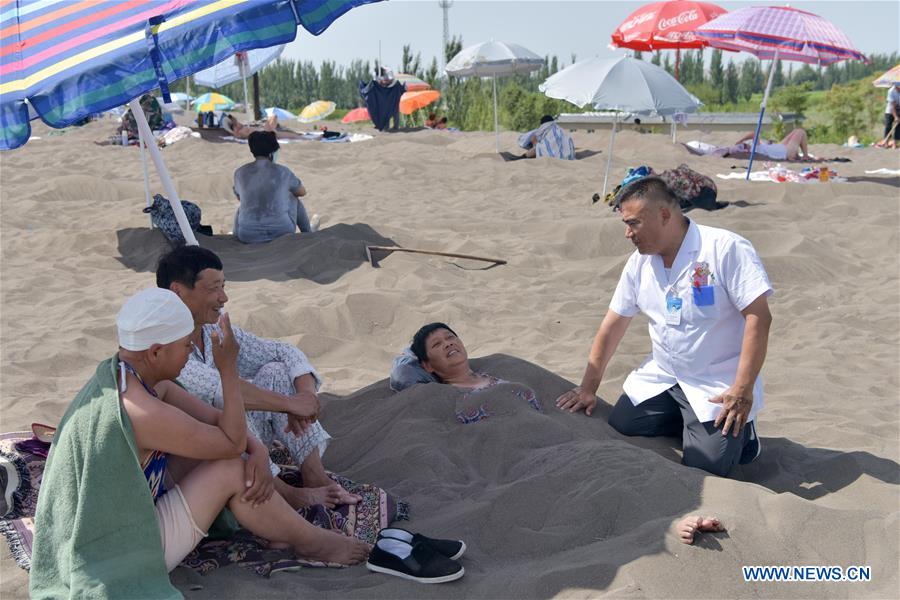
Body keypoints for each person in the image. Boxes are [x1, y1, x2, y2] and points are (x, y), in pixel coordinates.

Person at [30, 288, 370, 598]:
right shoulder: (140, 411)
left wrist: (259, 448)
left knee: (229, 455)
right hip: (120, 547)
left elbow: (212, 418)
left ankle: (282, 526)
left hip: (127, 509)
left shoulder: (128, 374)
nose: (191, 351)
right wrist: (228, 370)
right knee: (231, 470)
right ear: (155, 352)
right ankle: (315, 542)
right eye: (184, 346)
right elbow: (229, 441)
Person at [556, 176, 773, 477]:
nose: (627, 233)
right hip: (666, 374)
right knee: (624, 422)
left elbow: (759, 317)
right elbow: (613, 324)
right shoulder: (639, 263)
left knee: (707, 465)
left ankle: (745, 436)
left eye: (633, 223)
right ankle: (692, 423)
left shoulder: (725, 248)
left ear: (664, 215)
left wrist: (742, 389)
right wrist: (588, 387)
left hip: (716, 380)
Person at [157, 246, 359, 509]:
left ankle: (313, 473)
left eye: (224, 286)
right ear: (177, 291)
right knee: (226, 406)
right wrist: (289, 404)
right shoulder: (163, 343)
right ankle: (286, 494)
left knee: (275, 371)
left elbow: (282, 351)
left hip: (237, 441)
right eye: (213, 288)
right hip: (194, 457)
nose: (224, 297)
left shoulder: (211, 329)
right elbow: (217, 389)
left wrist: (305, 396)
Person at [391, 323, 541, 423]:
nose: (448, 343)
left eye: (450, 337)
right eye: (437, 344)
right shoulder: (444, 395)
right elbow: (402, 375)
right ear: (428, 365)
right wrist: (412, 353)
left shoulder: (498, 369)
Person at [232, 131, 318, 244]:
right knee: (293, 196)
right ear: (272, 150)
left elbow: (240, 198)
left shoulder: (240, 172)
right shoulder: (283, 171)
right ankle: (307, 233)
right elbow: (302, 192)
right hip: (281, 233)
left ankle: (234, 234)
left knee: (243, 206)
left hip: (247, 235)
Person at [730, 128, 811, 160]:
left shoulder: (754, 148)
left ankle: (803, 155)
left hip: (780, 147)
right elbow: (754, 134)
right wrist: (741, 140)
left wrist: (769, 144)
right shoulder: (753, 149)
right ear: (745, 150)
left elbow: (765, 149)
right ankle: (805, 156)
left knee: (795, 131)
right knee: (800, 132)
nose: (746, 144)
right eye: (744, 145)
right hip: (786, 152)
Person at [876, 83, 900, 148]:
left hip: (899, 109)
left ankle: (895, 142)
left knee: (898, 126)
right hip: (890, 110)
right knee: (888, 125)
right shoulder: (891, 91)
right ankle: (886, 142)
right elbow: (892, 106)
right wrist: (895, 117)